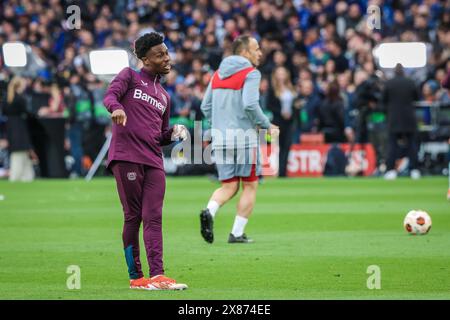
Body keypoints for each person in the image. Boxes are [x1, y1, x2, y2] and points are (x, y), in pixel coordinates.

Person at [103, 32, 188, 290]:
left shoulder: (164, 95)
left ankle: (158, 275)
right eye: (159, 54)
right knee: (133, 217)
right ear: (144, 58)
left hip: (154, 160)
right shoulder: (129, 76)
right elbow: (109, 97)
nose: (166, 58)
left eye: (166, 53)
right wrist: (116, 108)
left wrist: (173, 132)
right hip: (127, 156)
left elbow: (159, 135)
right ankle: (136, 277)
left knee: (154, 216)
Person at [199, 35, 279, 244]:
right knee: (250, 185)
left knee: (228, 186)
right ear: (244, 52)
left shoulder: (217, 75)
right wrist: (267, 125)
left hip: (220, 138)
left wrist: (219, 125)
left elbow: (205, 107)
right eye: (256, 48)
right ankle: (236, 233)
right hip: (244, 139)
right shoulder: (251, 74)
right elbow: (250, 105)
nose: (260, 52)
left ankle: (209, 210)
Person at [382, 64, 421, 180]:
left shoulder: (389, 83)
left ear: (394, 72)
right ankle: (414, 170)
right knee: (412, 145)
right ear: (403, 71)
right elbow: (417, 97)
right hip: (409, 117)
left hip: (394, 118)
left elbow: (383, 100)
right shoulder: (410, 82)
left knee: (392, 145)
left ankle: (390, 170)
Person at [3, 76, 35, 182]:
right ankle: (16, 176)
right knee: (19, 152)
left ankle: (27, 176)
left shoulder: (7, 98)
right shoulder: (20, 99)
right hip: (19, 127)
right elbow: (27, 112)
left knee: (22, 153)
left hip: (11, 128)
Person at [267, 66, 296, 177]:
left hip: (289, 122)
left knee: (287, 146)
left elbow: (295, 105)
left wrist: (292, 112)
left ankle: (284, 172)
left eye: (283, 73)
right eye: (279, 73)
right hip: (277, 122)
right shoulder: (273, 90)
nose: (281, 76)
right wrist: (281, 112)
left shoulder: (291, 89)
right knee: (277, 147)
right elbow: (270, 105)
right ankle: (278, 171)